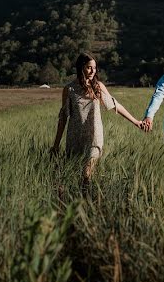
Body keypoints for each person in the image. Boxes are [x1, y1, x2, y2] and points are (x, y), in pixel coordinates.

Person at [51, 52, 143, 184]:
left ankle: (87, 199)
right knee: (74, 174)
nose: (93, 71)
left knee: (86, 174)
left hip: (95, 136)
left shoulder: (98, 87)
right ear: (81, 67)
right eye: (89, 67)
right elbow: (63, 117)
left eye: (94, 67)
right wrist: (55, 145)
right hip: (75, 137)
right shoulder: (69, 89)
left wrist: (136, 122)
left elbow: (115, 104)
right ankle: (79, 202)